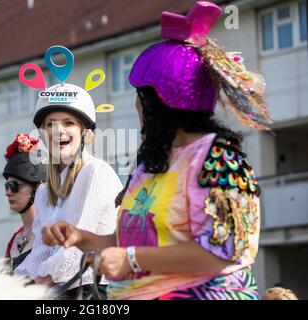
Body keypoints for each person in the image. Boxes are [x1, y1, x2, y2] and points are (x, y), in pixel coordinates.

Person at [41, 1, 272, 300]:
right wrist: (81, 238)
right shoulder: (151, 164)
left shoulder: (219, 159)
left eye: (141, 97)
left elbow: (223, 251)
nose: (137, 106)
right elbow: (136, 240)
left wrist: (132, 260)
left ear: (160, 103)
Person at [14, 51, 123, 299]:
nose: (58, 130)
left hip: (93, 291)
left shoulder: (96, 172)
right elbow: (40, 251)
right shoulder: (44, 192)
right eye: (50, 124)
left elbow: (74, 249)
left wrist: (37, 284)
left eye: (68, 122)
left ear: (84, 130)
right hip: (57, 291)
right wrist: (13, 282)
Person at [3, 133, 46, 274]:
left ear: (38, 187)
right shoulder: (14, 240)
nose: (8, 192)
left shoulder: (50, 234)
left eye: (15, 185)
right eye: (7, 185)